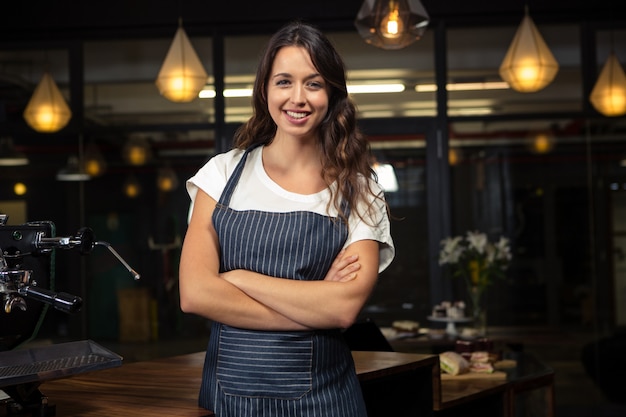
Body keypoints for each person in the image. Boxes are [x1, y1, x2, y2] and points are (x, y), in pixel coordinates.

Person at [179, 20, 395, 417]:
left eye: (313, 83)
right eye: (284, 82)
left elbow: (343, 309)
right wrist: (313, 308)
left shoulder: (360, 189)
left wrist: (239, 280)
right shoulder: (221, 175)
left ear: (331, 93)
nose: (298, 98)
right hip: (229, 400)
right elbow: (195, 294)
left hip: (327, 402)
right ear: (264, 90)